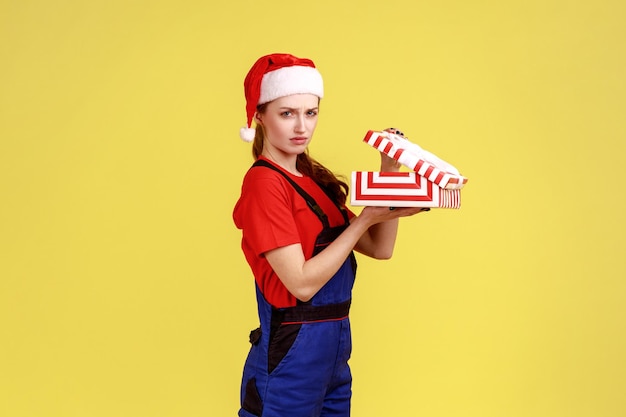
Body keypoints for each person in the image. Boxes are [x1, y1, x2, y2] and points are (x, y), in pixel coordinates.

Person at [233, 53, 427, 417]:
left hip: (335, 350)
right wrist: (364, 219)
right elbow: (301, 284)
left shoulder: (314, 180)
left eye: (311, 113)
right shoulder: (264, 183)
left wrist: (389, 173)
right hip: (291, 354)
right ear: (260, 115)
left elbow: (380, 248)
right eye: (287, 113)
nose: (301, 127)